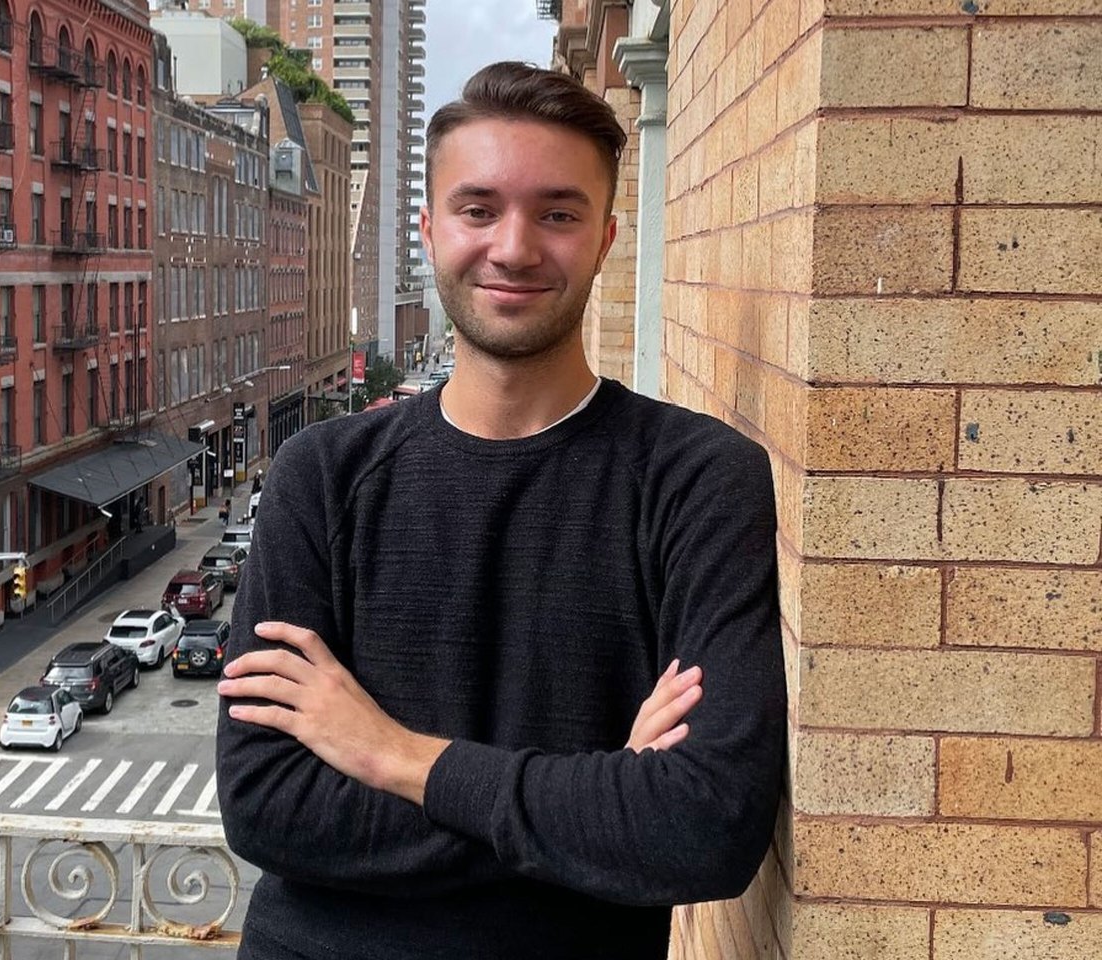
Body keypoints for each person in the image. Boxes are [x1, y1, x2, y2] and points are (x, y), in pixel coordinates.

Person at [215, 61, 785, 959]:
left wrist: (392, 755)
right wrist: (592, 804)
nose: (514, 248)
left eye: (558, 214)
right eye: (478, 209)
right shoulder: (320, 475)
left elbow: (702, 827)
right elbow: (267, 806)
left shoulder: (698, 480)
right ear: (429, 229)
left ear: (605, 238)